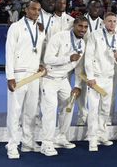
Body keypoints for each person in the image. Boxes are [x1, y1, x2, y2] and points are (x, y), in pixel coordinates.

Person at [40, 17, 88, 156]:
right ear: (74, 25)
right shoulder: (59, 37)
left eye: (85, 27)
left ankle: (61, 137)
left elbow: (78, 66)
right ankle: (46, 143)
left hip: (63, 80)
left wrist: (77, 85)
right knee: (50, 109)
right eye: (80, 26)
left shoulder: (82, 43)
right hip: (49, 78)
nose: (83, 30)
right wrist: (67, 58)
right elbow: (47, 59)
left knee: (68, 106)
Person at [5, 1, 46, 159]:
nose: (36, 12)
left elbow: (38, 50)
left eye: (38, 10)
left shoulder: (40, 29)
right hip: (19, 74)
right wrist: (10, 76)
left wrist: (41, 64)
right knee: (15, 111)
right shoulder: (15, 27)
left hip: (34, 74)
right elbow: (9, 52)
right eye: (33, 9)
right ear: (26, 10)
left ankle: (28, 143)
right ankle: (12, 144)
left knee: (31, 111)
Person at [84, 12, 117, 151]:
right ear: (104, 22)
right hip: (96, 77)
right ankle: (92, 139)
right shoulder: (95, 35)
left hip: (109, 77)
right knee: (93, 108)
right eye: (109, 21)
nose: (112, 23)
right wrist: (90, 77)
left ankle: (102, 135)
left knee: (105, 108)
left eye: (114, 21)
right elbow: (88, 57)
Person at [76, 0, 103, 126]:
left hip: (96, 60)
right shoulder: (80, 21)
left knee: (96, 88)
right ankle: (82, 115)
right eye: (93, 7)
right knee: (80, 87)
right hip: (80, 59)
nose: (96, 9)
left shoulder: (103, 23)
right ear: (88, 8)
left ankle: (95, 115)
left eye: (98, 7)